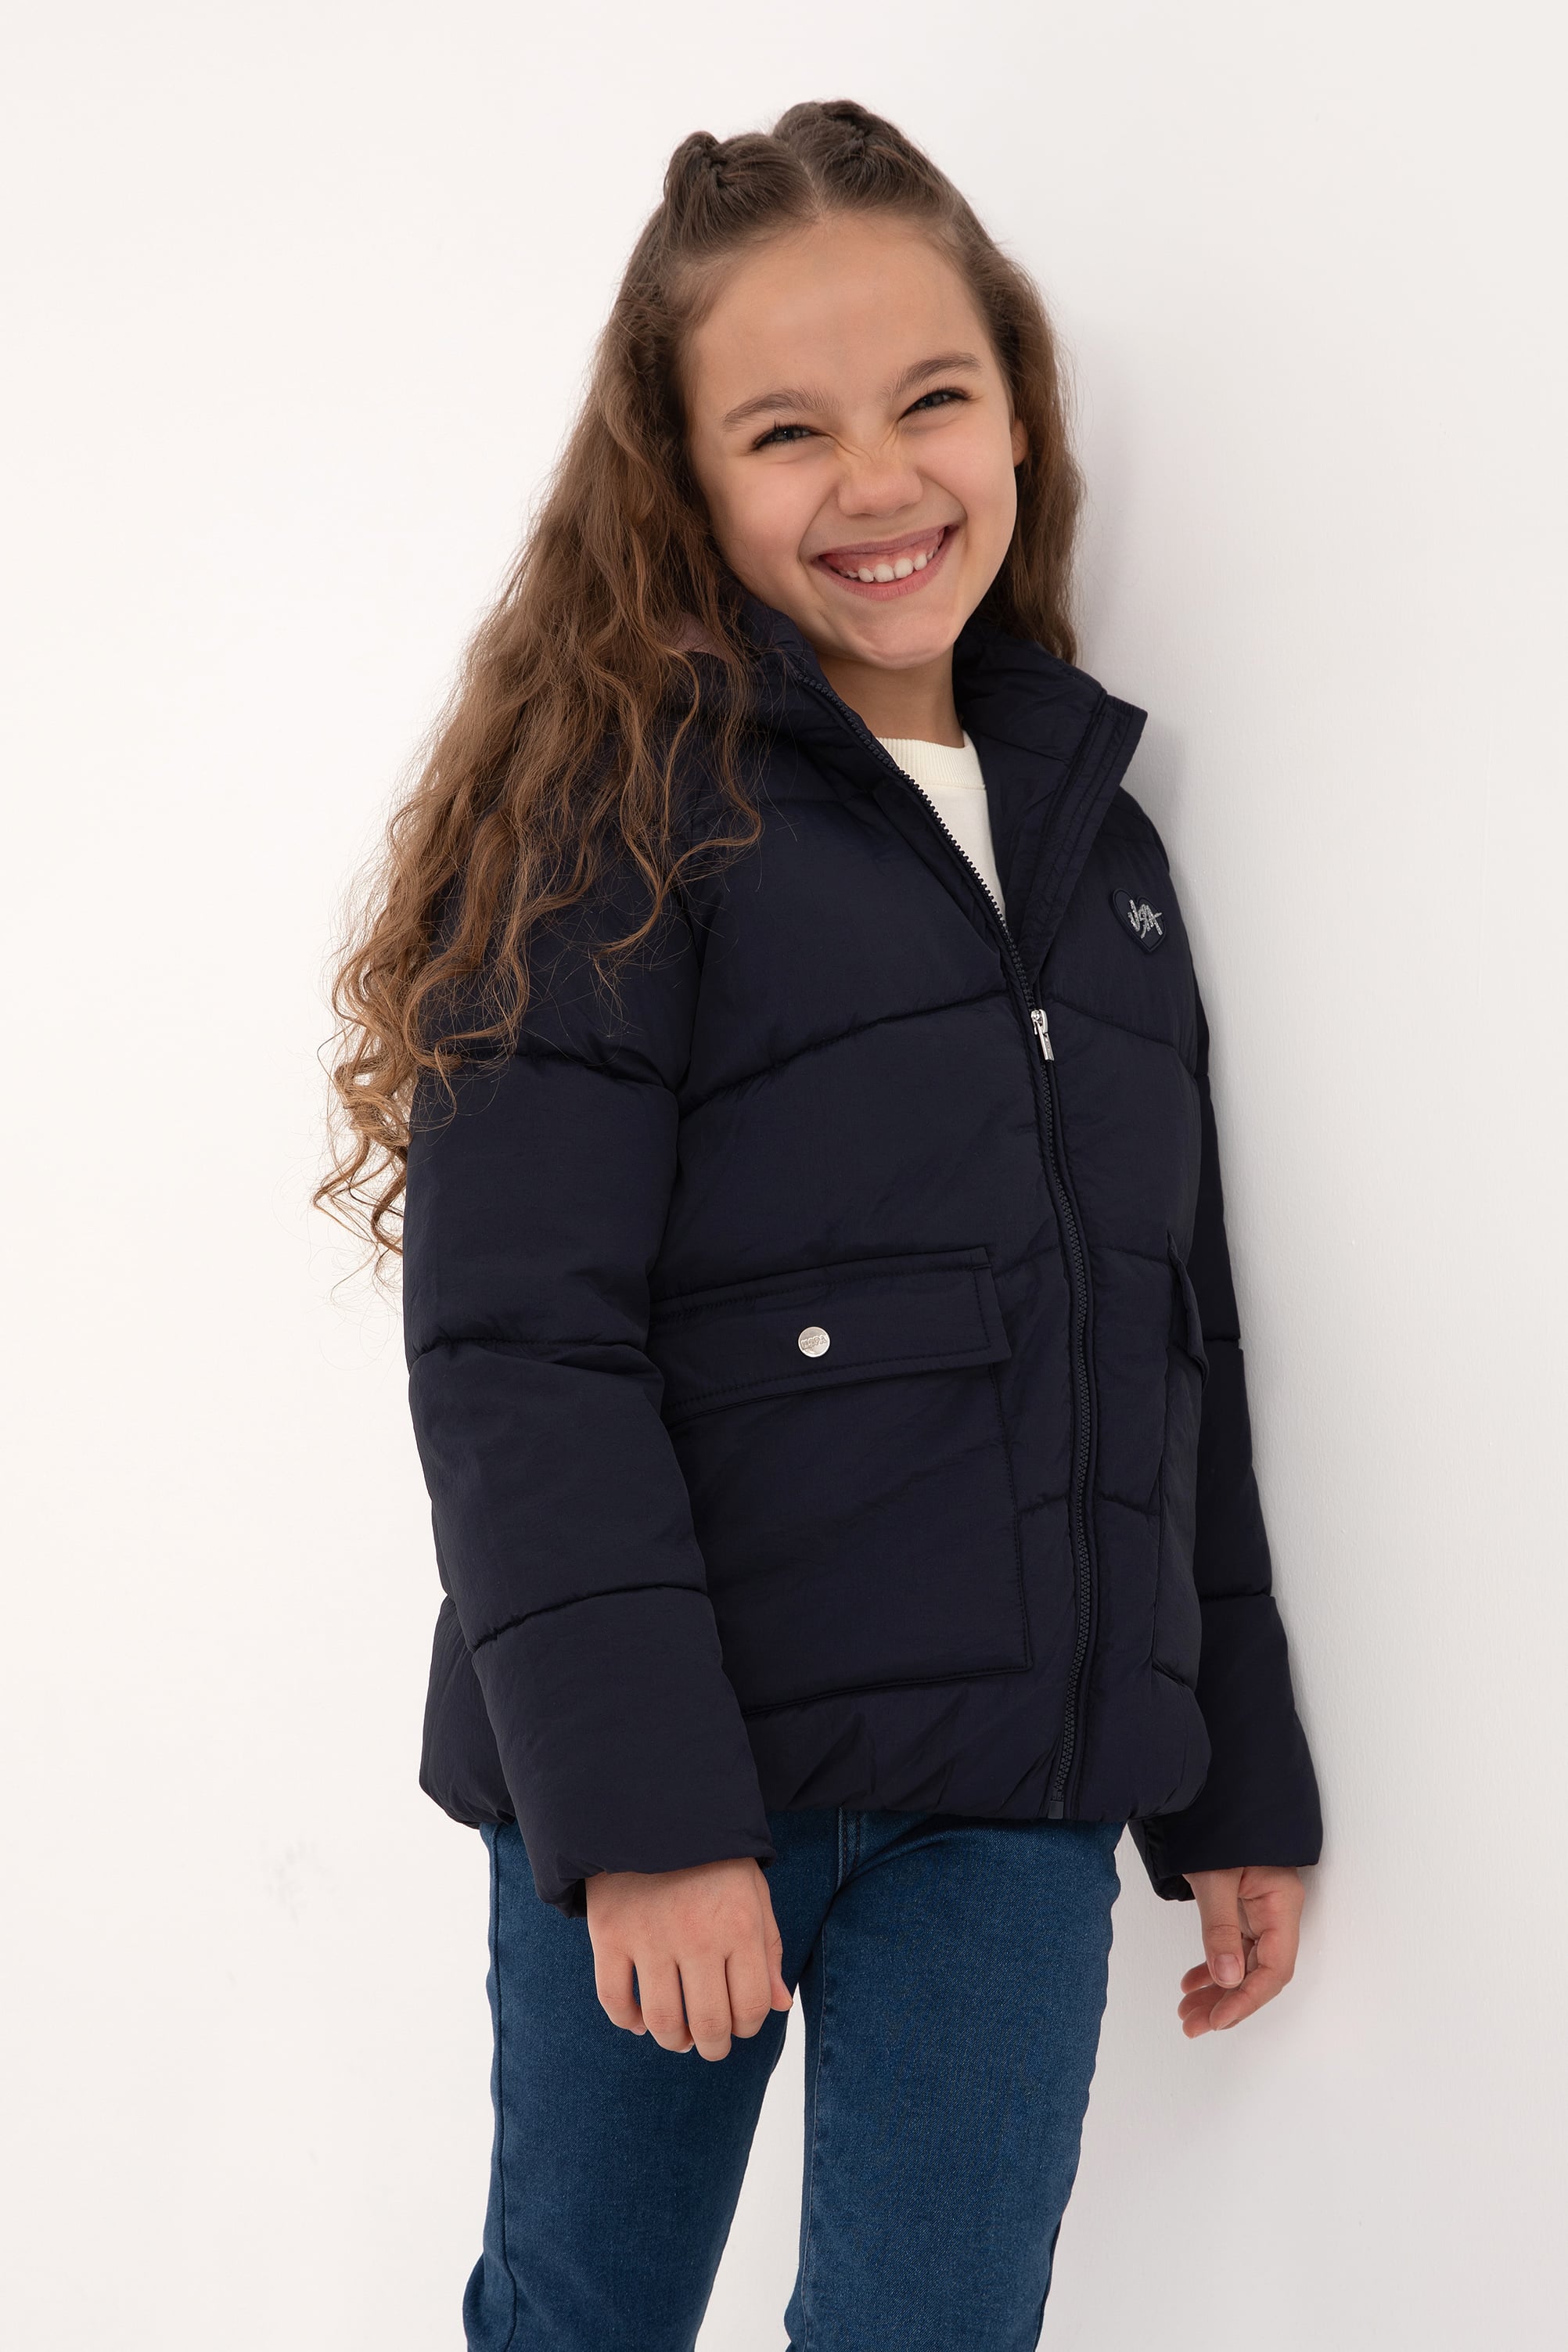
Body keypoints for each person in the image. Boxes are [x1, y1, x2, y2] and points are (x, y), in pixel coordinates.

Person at [321, 97, 1322, 2352]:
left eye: (930, 399)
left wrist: (1233, 1783)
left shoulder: (1097, 841)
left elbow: (1171, 1339)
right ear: (679, 477)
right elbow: (517, 1349)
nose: (879, 481)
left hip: (1009, 1797)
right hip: (678, 1775)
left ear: (1019, 414)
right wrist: (646, 1823)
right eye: (787, 431)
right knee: (583, 2318)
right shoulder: (607, 824)